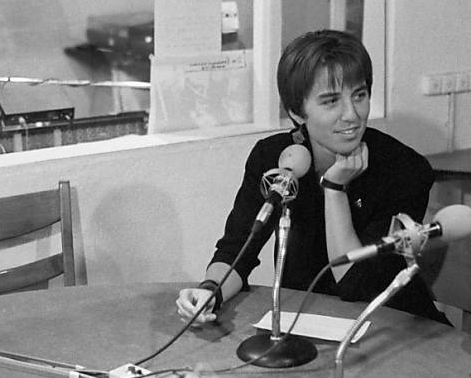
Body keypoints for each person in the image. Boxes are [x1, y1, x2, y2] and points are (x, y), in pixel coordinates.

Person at [176, 29, 444, 327]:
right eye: (330, 101)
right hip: (307, 323)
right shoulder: (274, 159)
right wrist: (210, 292)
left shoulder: (405, 169)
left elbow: (355, 284)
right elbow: (237, 250)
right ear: (296, 112)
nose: (351, 114)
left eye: (359, 95)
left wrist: (334, 189)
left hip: (394, 327)